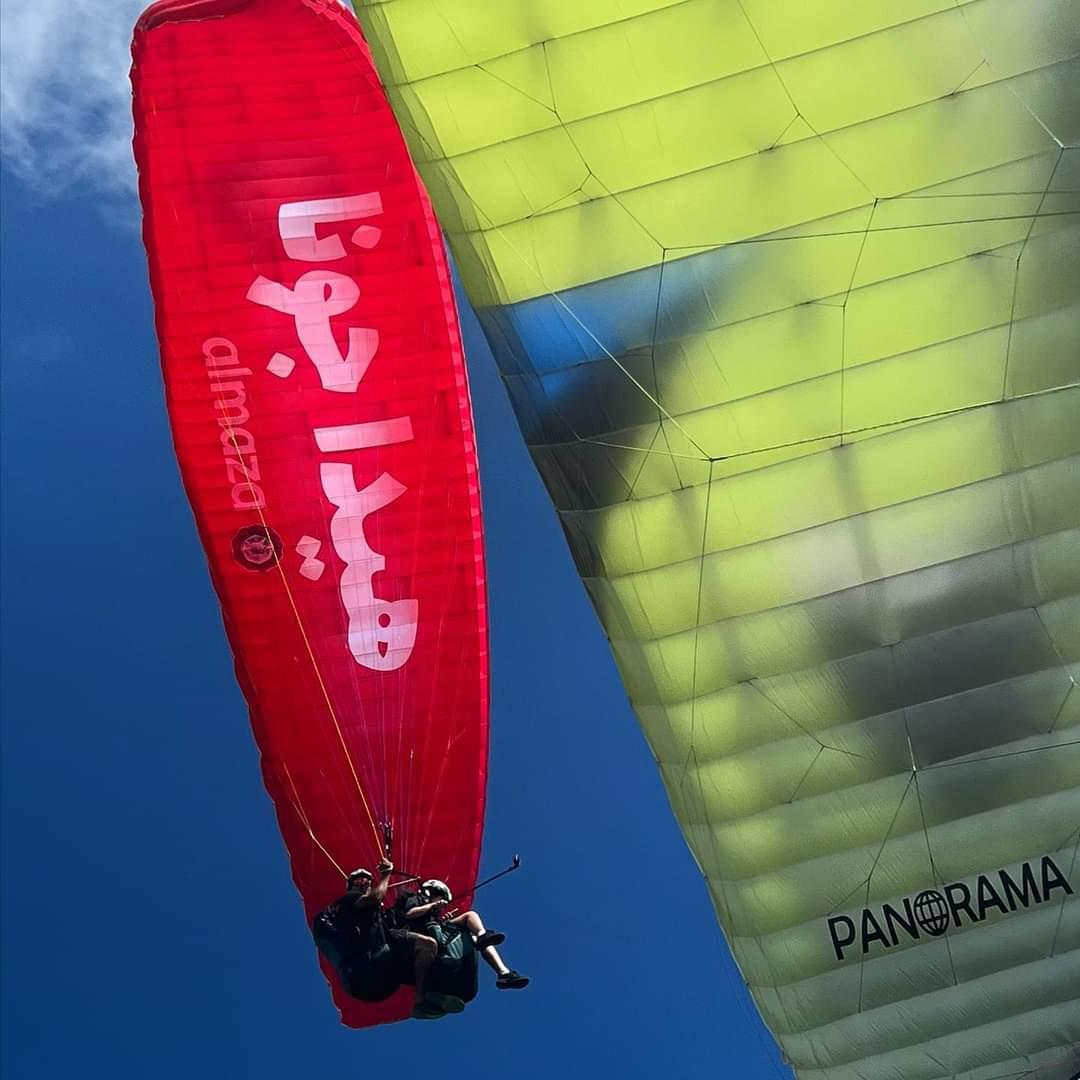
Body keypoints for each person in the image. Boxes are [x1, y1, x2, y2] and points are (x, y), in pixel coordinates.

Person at [314, 860, 462, 1020]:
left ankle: (432, 991)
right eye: (360, 880)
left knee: (418, 957)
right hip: (372, 964)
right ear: (352, 884)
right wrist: (386, 875)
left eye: (368, 882)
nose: (365, 884)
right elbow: (375, 899)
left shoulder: (359, 915)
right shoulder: (348, 901)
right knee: (427, 945)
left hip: (368, 984)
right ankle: (421, 998)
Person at [396, 879, 529, 990]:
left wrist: (442, 919)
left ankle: (504, 973)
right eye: (440, 898)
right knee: (468, 917)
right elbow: (409, 914)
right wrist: (432, 906)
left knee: (472, 924)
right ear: (432, 892)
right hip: (417, 935)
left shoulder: (433, 911)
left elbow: (434, 924)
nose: (442, 903)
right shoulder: (416, 899)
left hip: (437, 932)